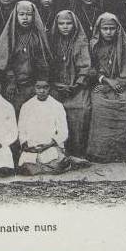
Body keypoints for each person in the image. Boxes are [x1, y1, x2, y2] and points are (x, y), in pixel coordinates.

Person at [86, 13, 126, 163]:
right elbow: (91, 70)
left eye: (112, 28)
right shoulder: (93, 45)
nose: (108, 32)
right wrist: (106, 82)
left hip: (121, 84)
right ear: (99, 30)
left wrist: (118, 82)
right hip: (101, 84)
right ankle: (100, 152)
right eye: (105, 28)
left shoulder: (123, 44)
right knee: (99, 105)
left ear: (117, 29)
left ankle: (122, 152)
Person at [0, 0, 52, 115]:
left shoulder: (37, 36)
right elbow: (5, 60)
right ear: (16, 16)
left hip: (32, 84)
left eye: (29, 14)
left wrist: (39, 83)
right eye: (21, 15)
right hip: (13, 84)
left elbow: (42, 61)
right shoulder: (10, 36)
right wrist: (11, 81)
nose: (25, 18)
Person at [49, 10, 92, 157]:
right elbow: (46, 66)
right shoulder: (51, 41)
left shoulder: (81, 41)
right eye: (61, 24)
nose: (65, 27)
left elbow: (85, 67)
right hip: (56, 86)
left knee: (82, 109)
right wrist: (56, 85)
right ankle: (55, 151)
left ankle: (77, 152)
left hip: (77, 86)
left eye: (69, 23)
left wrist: (77, 84)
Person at [18, 77, 71, 175]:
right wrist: (26, 145)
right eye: (38, 87)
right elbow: (21, 129)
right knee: (25, 168)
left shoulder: (57, 105)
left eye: (45, 87)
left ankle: (44, 167)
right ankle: (48, 167)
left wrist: (48, 145)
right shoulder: (26, 106)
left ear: (49, 88)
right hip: (32, 146)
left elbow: (63, 131)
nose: (42, 91)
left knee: (57, 164)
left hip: (50, 145)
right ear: (34, 88)